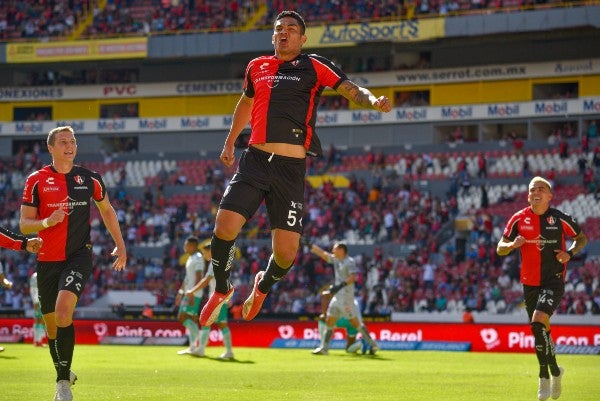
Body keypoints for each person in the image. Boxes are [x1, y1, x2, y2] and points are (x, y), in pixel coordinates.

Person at [199, 10, 392, 326]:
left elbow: (350, 88)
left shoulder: (315, 65)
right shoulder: (257, 67)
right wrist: (229, 141)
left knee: (287, 254)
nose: (283, 32)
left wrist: (373, 101)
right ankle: (222, 289)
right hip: (255, 161)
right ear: (272, 36)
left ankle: (262, 286)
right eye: (278, 29)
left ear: (303, 38)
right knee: (223, 226)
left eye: (290, 28)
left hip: (290, 168)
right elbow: (246, 103)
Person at [20, 126, 127, 401]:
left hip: (78, 256)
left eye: (73, 141)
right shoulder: (35, 180)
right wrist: (46, 222)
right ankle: (65, 373)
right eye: (64, 142)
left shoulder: (90, 178)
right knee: (53, 327)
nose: (70, 145)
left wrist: (120, 244)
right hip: (46, 260)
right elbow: (23, 224)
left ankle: (62, 385)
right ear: (51, 148)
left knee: (64, 312)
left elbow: (107, 210)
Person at [496, 176, 587, 401]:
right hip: (529, 282)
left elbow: (581, 238)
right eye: (532, 189)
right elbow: (500, 248)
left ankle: (542, 376)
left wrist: (570, 253)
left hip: (553, 279)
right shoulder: (518, 219)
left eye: (541, 189)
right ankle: (555, 371)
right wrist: (511, 245)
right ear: (528, 196)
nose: (536, 192)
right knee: (539, 329)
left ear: (549, 196)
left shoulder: (559, 218)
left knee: (538, 320)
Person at [307, 241, 379, 355]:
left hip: (346, 300)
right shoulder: (336, 259)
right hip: (337, 298)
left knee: (356, 324)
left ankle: (373, 345)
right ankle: (324, 348)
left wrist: (340, 286)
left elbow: (353, 277)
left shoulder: (349, 262)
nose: (333, 251)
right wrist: (310, 245)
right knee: (329, 321)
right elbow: (323, 254)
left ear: (341, 250)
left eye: (335, 249)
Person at [187, 242, 234, 359]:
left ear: (211, 251)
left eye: (205, 252)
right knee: (211, 323)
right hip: (220, 298)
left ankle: (224, 351)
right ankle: (203, 349)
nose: (204, 255)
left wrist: (192, 290)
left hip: (217, 299)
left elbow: (206, 280)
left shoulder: (215, 263)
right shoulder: (220, 262)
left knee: (213, 323)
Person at [0, 226, 43, 353]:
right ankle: (37, 340)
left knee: (41, 317)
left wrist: (8, 283)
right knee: (39, 315)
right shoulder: (35, 277)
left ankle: (39, 340)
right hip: (38, 299)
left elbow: (2, 279)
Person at [174, 236, 204, 356]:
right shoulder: (190, 258)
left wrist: (192, 293)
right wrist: (180, 293)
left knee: (182, 316)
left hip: (193, 294)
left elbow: (198, 277)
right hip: (188, 292)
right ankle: (192, 347)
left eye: (186, 245)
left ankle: (200, 341)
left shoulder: (198, 258)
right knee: (191, 319)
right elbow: (187, 278)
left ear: (193, 246)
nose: (184, 247)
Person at [30, 272, 47, 347]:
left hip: (37, 301)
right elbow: (35, 291)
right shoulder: (38, 276)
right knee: (40, 320)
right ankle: (38, 341)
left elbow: (33, 290)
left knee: (38, 320)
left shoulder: (34, 275)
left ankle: (37, 341)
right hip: (39, 302)